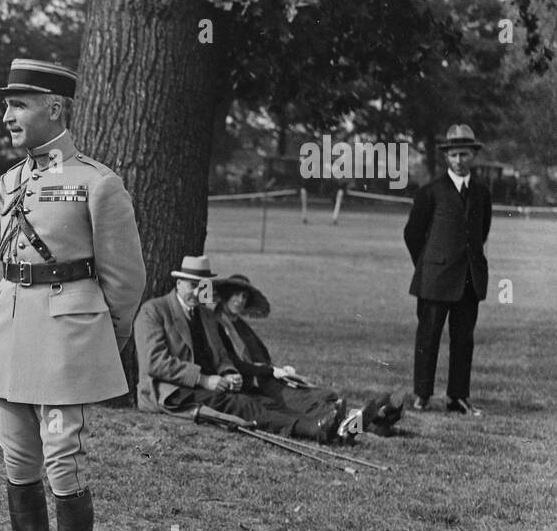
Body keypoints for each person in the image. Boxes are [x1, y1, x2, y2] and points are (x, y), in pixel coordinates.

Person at [0, 58, 147, 531]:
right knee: (16, 460)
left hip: (67, 336)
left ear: (54, 107)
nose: (6, 116)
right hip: (10, 330)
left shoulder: (99, 182)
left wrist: (101, 340)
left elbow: (125, 280)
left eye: (17, 105)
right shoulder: (6, 182)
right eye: (7, 105)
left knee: (62, 461)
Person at [133, 256, 345, 442]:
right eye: (192, 285)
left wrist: (229, 372)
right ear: (178, 283)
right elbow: (154, 363)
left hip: (211, 385)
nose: (198, 292)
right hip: (171, 391)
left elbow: (221, 355)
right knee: (241, 405)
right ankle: (311, 429)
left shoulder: (206, 315)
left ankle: (323, 424)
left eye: (202, 286)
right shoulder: (154, 311)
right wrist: (203, 379)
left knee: (261, 400)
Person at [211, 273, 402, 436]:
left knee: (318, 396)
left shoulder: (238, 324)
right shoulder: (220, 325)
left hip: (266, 377)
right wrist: (269, 371)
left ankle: (373, 423)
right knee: (309, 403)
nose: (240, 300)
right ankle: (372, 422)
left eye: (244, 296)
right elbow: (233, 362)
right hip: (254, 383)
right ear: (226, 296)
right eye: (235, 295)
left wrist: (276, 370)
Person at [403, 123, 492, 415]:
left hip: (468, 279)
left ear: (473, 155)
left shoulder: (481, 192)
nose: (459, 160)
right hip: (435, 279)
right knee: (428, 338)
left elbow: (482, 232)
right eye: (453, 155)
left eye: (464, 155)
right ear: (446, 157)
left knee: (463, 340)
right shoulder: (430, 192)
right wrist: (429, 265)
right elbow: (413, 234)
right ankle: (423, 395)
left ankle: (458, 397)